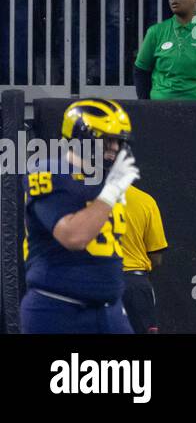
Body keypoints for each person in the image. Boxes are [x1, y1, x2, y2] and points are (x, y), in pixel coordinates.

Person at [20, 99, 139, 333]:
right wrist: (112, 191)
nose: (115, 148)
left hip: (109, 309)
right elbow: (74, 237)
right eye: (107, 140)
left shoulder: (106, 180)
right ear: (82, 137)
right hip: (57, 310)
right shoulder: (49, 172)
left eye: (118, 141)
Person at [118, 178, 166, 334]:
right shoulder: (145, 201)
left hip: (97, 282)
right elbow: (156, 257)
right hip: (134, 284)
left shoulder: (86, 199)